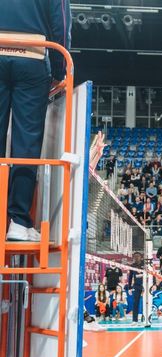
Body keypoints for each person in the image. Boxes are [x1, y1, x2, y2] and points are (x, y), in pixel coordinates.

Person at [1, 0, 71, 241]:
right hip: (32, 55)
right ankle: (19, 222)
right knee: (26, 143)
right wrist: (59, 71)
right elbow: (61, 23)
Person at [128, 252, 145, 326]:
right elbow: (130, 277)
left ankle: (144, 319)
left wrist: (153, 284)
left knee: (145, 303)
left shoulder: (145, 264)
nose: (136, 258)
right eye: (135, 256)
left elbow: (151, 273)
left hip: (145, 286)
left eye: (138, 256)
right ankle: (134, 320)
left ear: (141, 257)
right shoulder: (132, 266)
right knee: (135, 303)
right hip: (136, 286)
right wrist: (129, 288)